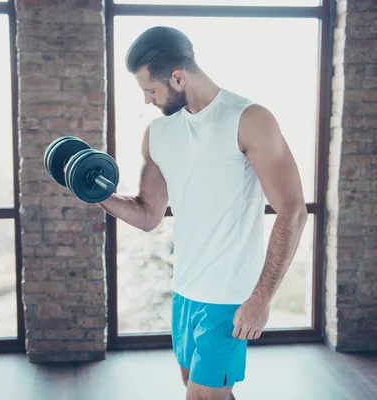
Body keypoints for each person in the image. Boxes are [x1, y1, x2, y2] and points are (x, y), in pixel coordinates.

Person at [97, 26, 308, 400]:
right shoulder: (159, 134)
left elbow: (292, 211)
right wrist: (98, 195)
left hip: (229, 294)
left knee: (202, 397)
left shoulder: (249, 119)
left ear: (178, 77)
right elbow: (147, 215)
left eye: (151, 90)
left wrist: (260, 299)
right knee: (202, 389)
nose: (147, 100)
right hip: (186, 290)